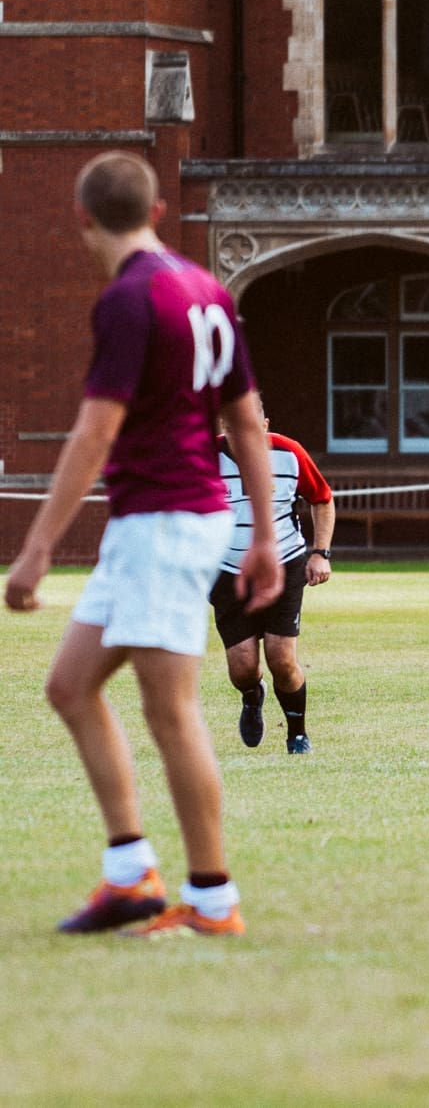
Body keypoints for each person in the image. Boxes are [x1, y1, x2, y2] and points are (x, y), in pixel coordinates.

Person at [3, 151, 283, 938]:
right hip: (164, 523)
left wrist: (35, 551)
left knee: (172, 711)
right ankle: (131, 875)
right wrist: (261, 531)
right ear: (159, 212)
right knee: (69, 684)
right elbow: (249, 421)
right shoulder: (209, 292)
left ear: (82, 218)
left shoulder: (129, 300)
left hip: (164, 520)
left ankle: (213, 897)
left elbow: (95, 431)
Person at [212, 403, 336, 753]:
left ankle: (297, 734)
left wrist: (320, 553)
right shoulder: (205, 459)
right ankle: (252, 697)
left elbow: (322, 500)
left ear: (265, 423)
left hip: (284, 562)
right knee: (242, 667)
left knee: (281, 657)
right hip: (227, 570)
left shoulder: (288, 453)